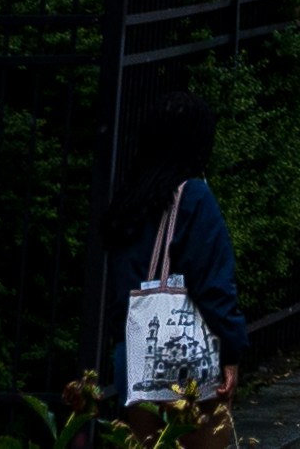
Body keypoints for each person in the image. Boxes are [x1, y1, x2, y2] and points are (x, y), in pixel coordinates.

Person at [114, 96, 247, 403]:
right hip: (188, 358)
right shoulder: (194, 197)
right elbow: (213, 285)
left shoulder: (130, 199)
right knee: (198, 431)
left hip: (133, 354)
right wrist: (231, 350)